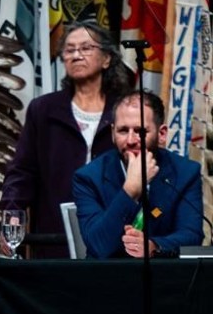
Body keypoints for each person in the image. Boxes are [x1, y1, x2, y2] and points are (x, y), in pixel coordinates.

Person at [0, 20, 132, 258]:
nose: (76, 55)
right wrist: (12, 217)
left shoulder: (126, 109)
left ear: (106, 59)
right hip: (55, 235)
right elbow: (22, 171)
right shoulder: (44, 110)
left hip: (117, 234)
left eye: (86, 48)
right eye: (69, 50)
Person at [73, 91, 203, 259]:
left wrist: (153, 246)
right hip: (108, 278)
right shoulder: (88, 177)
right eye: (123, 130)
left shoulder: (186, 172)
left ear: (161, 134)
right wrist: (130, 190)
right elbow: (98, 246)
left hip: (165, 277)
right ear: (113, 133)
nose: (131, 140)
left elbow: (192, 235)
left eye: (140, 131)